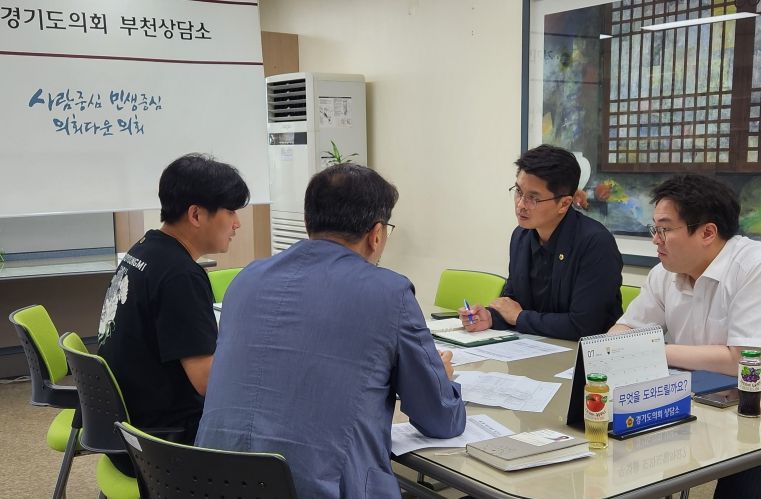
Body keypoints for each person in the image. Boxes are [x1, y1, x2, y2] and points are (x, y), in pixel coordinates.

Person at [196, 163, 466, 499]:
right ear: (376, 234)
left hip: (213, 486)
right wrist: (441, 381)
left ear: (308, 222)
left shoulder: (246, 280)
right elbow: (439, 419)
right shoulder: (389, 293)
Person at [610, 174, 761, 499]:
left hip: (752, 412)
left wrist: (653, 351)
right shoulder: (664, 274)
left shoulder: (752, 266)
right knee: (617, 463)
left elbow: (745, 360)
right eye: (654, 229)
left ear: (707, 232)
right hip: (697, 402)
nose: (656, 240)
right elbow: (623, 333)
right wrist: (620, 346)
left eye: (665, 229)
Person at [97, 153, 250, 473]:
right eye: (230, 211)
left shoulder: (144, 249)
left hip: (125, 430)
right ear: (196, 214)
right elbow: (208, 382)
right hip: (162, 444)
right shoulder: (180, 275)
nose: (237, 223)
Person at [459, 144, 623, 340]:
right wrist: (490, 317)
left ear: (564, 203)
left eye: (533, 198)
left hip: (585, 355)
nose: (520, 205)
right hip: (535, 349)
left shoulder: (595, 243)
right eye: (518, 191)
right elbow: (511, 302)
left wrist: (519, 317)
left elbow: (583, 326)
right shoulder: (521, 236)